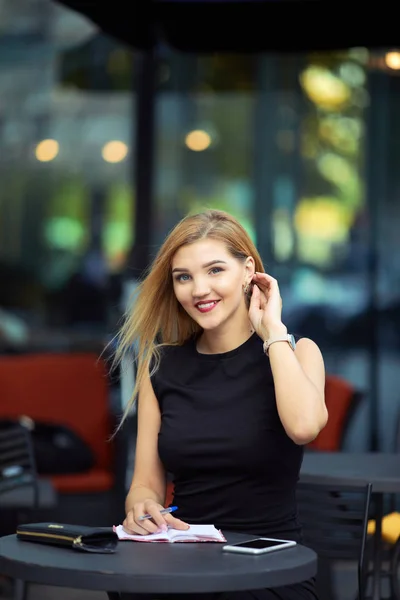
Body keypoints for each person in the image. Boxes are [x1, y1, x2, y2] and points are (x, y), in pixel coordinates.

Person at [116, 209, 328, 600]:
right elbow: (145, 483)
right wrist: (142, 506)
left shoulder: (297, 353)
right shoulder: (161, 365)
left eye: (215, 270)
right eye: (184, 277)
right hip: (183, 560)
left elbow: (304, 427)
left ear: (248, 270)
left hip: (267, 567)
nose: (198, 290)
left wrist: (273, 331)